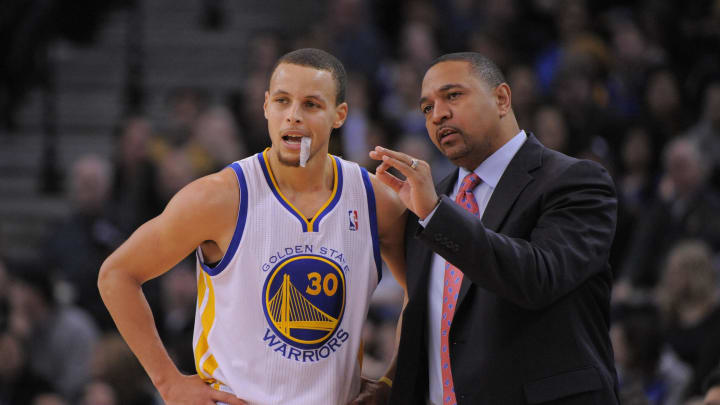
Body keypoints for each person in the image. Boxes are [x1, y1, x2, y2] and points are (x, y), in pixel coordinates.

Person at [98, 48, 406, 405]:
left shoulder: (375, 199)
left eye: (311, 104)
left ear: (339, 115)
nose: (293, 116)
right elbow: (116, 275)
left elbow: (423, 290)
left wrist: (393, 377)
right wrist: (167, 381)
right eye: (282, 101)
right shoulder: (219, 197)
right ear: (265, 107)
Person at [370, 52, 619, 404]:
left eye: (452, 96)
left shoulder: (575, 182)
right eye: (426, 108)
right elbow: (426, 319)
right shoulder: (429, 200)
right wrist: (390, 385)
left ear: (501, 98)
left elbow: (537, 278)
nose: (438, 114)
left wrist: (437, 214)